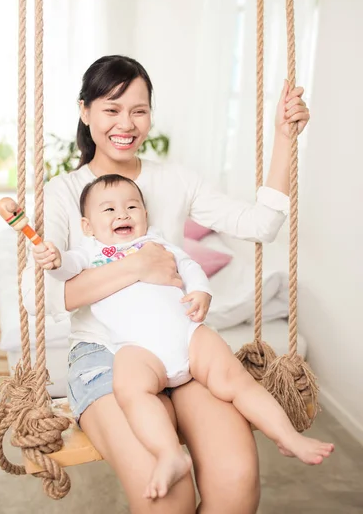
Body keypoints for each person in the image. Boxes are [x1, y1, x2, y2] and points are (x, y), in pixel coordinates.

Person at [22, 54, 313, 514]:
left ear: (151, 115)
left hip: (179, 342)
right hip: (107, 355)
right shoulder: (64, 192)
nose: (126, 123)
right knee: (168, 499)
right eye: (111, 109)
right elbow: (40, 299)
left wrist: (283, 139)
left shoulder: (176, 180)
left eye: (138, 110)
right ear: (85, 112)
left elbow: (261, 224)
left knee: (237, 481)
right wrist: (138, 267)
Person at [33, 173, 333, 500]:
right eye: (108, 210)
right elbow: (64, 270)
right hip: (139, 351)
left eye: (132, 206)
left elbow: (188, 266)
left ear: (145, 215)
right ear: (88, 226)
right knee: (130, 390)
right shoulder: (89, 252)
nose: (122, 214)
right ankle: (169, 455)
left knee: (236, 379)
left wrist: (202, 291)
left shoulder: (157, 242)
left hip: (188, 336)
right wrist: (54, 258)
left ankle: (287, 436)